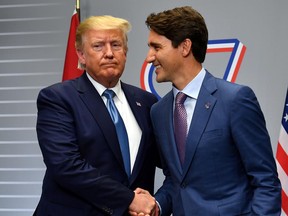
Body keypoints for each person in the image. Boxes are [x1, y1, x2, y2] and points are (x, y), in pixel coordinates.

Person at [144, 6, 281, 216]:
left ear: (185, 47)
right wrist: (157, 206)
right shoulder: (159, 112)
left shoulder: (235, 100)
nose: (149, 57)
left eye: (156, 47)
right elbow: (176, 181)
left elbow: (265, 180)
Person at [33, 15, 159, 216]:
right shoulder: (57, 98)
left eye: (116, 45)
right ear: (81, 55)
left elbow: (169, 163)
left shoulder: (146, 102)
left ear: (125, 52)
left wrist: (157, 203)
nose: (109, 53)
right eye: (98, 46)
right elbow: (66, 166)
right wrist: (129, 200)